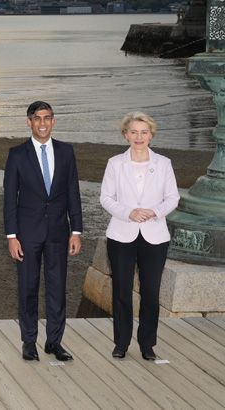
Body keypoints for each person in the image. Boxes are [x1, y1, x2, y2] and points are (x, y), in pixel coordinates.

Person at [3, 100, 83, 362]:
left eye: (47, 118)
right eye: (37, 118)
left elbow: (73, 192)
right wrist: (11, 236)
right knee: (28, 288)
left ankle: (54, 342)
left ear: (53, 121)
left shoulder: (66, 152)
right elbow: (9, 199)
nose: (42, 123)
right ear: (29, 122)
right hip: (27, 234)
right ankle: (29, 341)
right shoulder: (17, 154)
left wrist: (77, 231)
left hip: (59, 232)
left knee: (57, 288)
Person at [100, 112, 179, 361]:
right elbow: (106, 198)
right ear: (126, 135)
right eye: (133, 132)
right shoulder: (115, 163)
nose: (139, 137)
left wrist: (153, 212)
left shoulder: (164, 164)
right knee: (121, 291)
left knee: (151, 293)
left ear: (151, 135)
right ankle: (121, 344)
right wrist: (129, 213)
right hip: (121, 234)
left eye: (144, 132)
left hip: (155, 236)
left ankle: (147, 344)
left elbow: (173, 198)